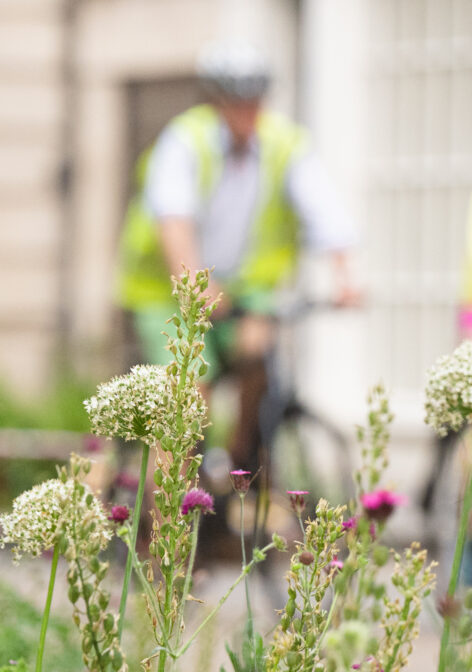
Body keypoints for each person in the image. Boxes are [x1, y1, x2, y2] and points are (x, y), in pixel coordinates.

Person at [118, 41, 360, 474]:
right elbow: (173, 219)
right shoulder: (185, 141)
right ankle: (164, 528)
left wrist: (345, 276)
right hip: (166, 293)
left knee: (258, 351)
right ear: (217, 101)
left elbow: (324, 207)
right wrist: (197, 286)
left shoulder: (285, 143)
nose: (247, 111)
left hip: (243, 289)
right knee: (187, 401)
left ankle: (240, 465)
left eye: (254, 100)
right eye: (236, 101)